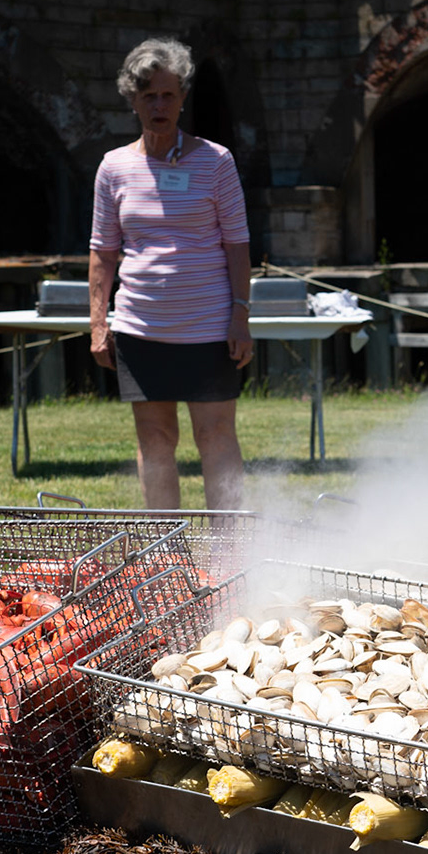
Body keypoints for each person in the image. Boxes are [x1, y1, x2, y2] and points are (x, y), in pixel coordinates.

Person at [88, 37, 252, 510]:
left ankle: (228, 550)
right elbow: (102, 253)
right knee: (156, 441)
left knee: (216, 436)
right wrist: (100, 325)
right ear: (133, 101)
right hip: (141, 328)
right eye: (148, 96)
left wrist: (240, 315)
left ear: (182, 99)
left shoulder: (216, 161)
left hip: (209, 326)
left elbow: (237, 245)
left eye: (168, 95)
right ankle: (166, 556)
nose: (159, 105)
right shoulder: (112, 168)